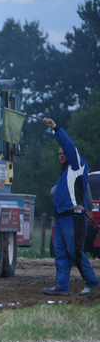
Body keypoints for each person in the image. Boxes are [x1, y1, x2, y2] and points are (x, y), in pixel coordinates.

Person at [42, 118, 99, 296]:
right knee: (60, 253)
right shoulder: (65, 173)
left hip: (74, 217)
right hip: (61, 218)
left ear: (70, 153)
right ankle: (62, 286)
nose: (61, 155)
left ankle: (92, 282)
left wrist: (55, 128)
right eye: (59, 154)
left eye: (63, 153)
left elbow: (68, 144)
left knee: (74, 251)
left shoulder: (77, 164)